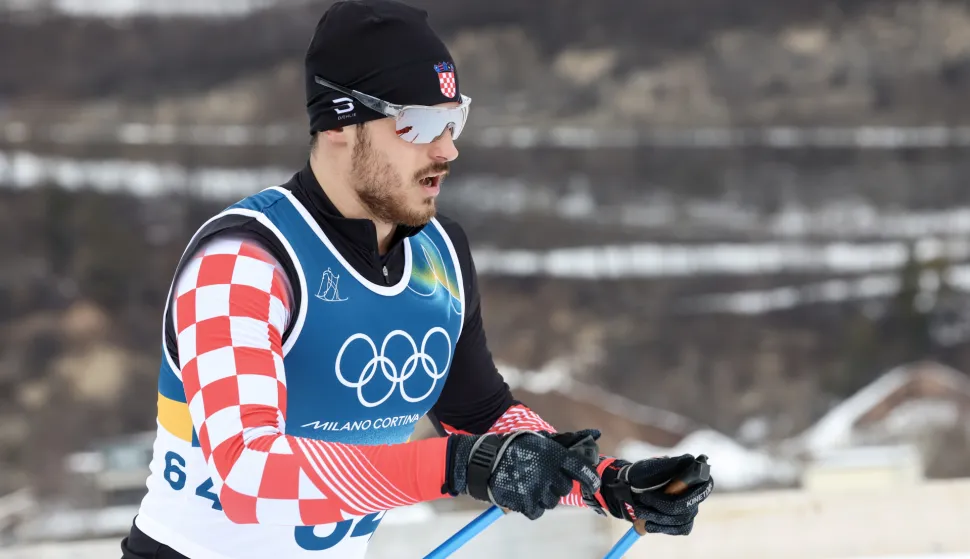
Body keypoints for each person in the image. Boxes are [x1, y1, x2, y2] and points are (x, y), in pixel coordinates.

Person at [120, 1, 714, 557]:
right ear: (338, 123)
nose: (447, 150)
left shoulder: (439, 257)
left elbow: (482, 418)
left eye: (454, 119)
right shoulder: (245, 263)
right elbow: (247, 470)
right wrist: (457, 467)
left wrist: (606, 482)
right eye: (419, 124)